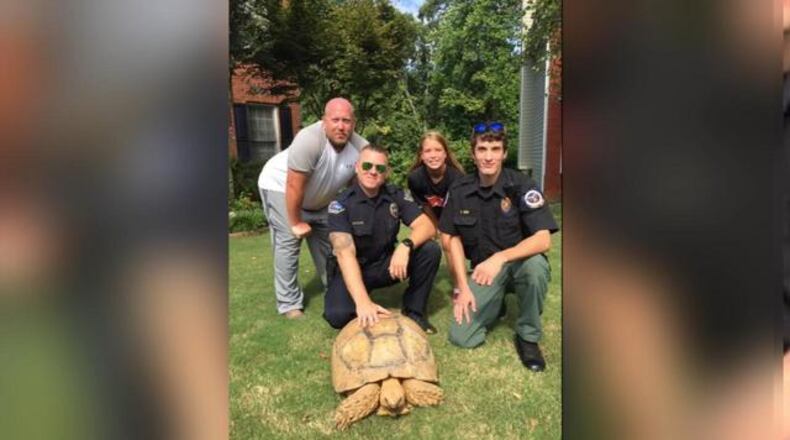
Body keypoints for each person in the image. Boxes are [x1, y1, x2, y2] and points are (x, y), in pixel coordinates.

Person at [439, 122, 559, 371]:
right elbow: (451, 239)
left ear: (504, 153)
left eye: (495, 149)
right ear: (473, 154)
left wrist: (501, 258)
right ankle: (497, 301)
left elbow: (543, 239)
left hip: (518, 263)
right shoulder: (460, 190)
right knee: (462, 337)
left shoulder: (522, 185)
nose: (489, 156)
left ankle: (527, 336)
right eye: (482, 149)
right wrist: (462, 286)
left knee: (535, 267)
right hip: (485, 271)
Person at [258, 98, 368, 319]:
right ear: (324, 121)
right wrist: (296, 222)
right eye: (335, 120)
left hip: (321, 198)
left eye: (346, 120)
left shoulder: (360, 148)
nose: (341, 126)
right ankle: (289, 303)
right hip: (281, 188)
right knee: (288, 243)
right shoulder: (309, 140)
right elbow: (293, 185)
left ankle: (336, 290)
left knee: (332, 245)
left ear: (353, 123)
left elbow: (357, 188)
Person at [324, 144, 441, 333]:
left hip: (386, 265)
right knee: (338, 316)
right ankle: (361, 299)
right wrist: (363, 302)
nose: (372, 172)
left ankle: (414, 311)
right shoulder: (340, 204)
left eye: (379, 168)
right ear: (356, 167)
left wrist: (405, 246)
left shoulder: (395, 195)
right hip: (355, 268)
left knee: (430, 250)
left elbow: (428, 226)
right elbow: (345, 254)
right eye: (367, 166)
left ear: (386, 172)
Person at [407, 131, 465, 297]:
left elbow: (456, 209)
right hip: (431, 214)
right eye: (428, 151)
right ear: (421, 156)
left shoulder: (457, 178)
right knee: (422, 240)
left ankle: (458, 286)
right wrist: (433, 226)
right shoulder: (415, 178)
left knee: (447, 240)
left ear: (445, 153)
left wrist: (442, 229)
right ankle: (415, 282)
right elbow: (424, 205)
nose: (433, 155)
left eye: (438, 150)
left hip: (455, 213)